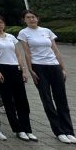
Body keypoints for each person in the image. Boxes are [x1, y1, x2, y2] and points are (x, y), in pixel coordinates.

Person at [19, 9, 76, 144]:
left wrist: (63, 68)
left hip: (54, 66)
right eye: (28, 17)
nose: (31, 19)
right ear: (24, 20)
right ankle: (59, 131)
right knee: (47, 100)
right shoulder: (23, 33)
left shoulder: (47, 31)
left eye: (33, 17)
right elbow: (27, 53)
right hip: (38, 67)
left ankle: (69, 131)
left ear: (37, 18)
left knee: (61, 99)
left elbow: (55, 50)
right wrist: (31, 70)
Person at [0, 15, 36, 141]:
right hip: (2, 68)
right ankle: (18, 129)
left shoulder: (10, 37)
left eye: (1, 22)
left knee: (22, 100)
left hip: (15, 68)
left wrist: (24, 70)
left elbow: (18, 54)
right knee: (8, 101)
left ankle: (27, 129)